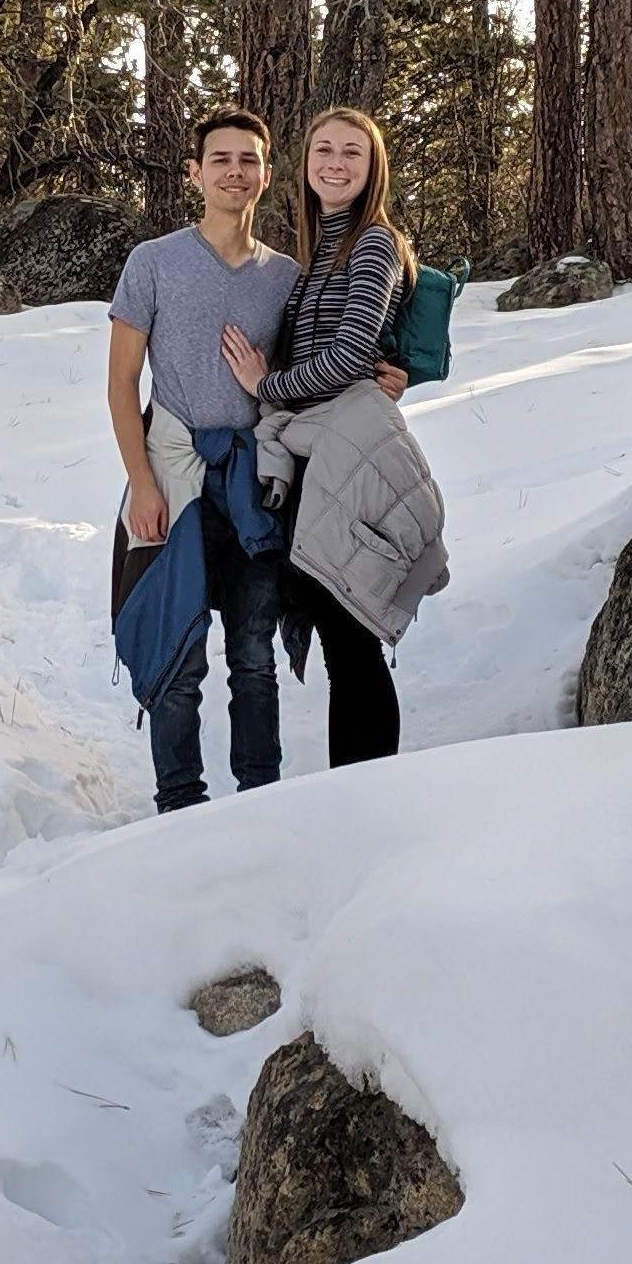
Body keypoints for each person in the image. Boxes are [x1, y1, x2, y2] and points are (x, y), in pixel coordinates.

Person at [224, 105, 448, 768]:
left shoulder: (371, 242)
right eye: (324, 149)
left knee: (349, 632)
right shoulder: (320, 247)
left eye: (352, 152)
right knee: (336, 626)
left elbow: (351, 354)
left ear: (371, 166)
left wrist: (266, 385)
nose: (335, 163)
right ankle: (352, 783)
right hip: (319, 447)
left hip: (343, 445)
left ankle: (362, 785)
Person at [106, 110, 301, 811]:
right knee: (180, 651)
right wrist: (140, 482)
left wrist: (391, 371)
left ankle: (260, 800)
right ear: (195, 172)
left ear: (266, 175)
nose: (233, 171)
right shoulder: (153, 262)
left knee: (253, 658)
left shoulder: (285, 276)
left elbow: (308, 372)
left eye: (247, 160)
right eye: (219, 159)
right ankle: (179, 803)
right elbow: (121, 380)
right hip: (174, 475)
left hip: (249, 485)